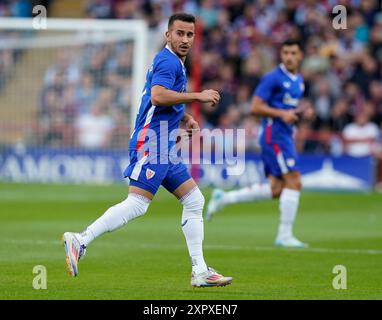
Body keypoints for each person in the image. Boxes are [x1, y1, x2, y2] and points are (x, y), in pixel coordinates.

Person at [62, 13, 232, 288]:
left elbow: (163, 99)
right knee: (138, 204)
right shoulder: (167, 60)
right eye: (179, 33)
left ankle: (200, 271)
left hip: (163, 142)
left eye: (190, 34)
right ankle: (80, 240)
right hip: (151, 141)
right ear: (168, 35)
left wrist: (184, 116)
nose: (185, 39)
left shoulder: (172, 61)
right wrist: (197, 96)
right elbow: (157, 95)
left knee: (194, 200)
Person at [206, 39, 308, 248]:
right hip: (275, 135)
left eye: (293, 53)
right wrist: (283, 114)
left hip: (284, 135)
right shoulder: (273, 78)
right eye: (285, 52)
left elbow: (288, 109)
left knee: (277, 188)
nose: (289, 56)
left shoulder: (299, 80)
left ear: (300, 56)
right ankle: (284, 235)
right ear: (281, 55)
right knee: (295, 181)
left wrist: (301, 113)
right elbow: (255, 107)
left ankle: (224, 198)